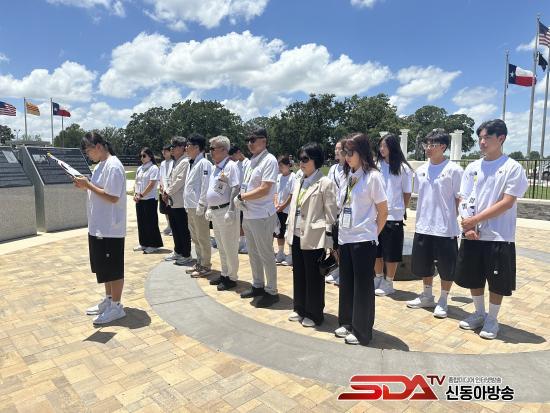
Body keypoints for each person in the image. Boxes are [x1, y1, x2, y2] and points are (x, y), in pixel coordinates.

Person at [455, 119, 528, 339]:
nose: (482, 142)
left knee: (497, 281)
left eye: (487, 137)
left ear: (501, 138)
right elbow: (463, 197)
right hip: (472, 234)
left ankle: (492, 319)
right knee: (473, 276)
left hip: (498, 235)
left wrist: (474, 220)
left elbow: (507, 202)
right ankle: (479, 313)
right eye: (480, 138)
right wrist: (467, 224)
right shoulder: (472, 167)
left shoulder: (512, 168)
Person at [335, 133, 388, 345]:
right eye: (344, 152)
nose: (347, 156)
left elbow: (383, 211)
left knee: (363, 287)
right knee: (347, 282)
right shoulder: (348, 175)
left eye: (351, 152)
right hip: (346, 237)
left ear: (362, 152)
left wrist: (372, 234)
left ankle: (362, 331)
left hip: (363, 240)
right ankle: (347, 321)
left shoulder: (373, 177)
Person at [405, 129, 463, 318]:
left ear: (443, 147)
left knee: (447, 267)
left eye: (432, 145)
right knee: (424, 264)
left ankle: (443, 299)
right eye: (426, 144)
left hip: (445, 229)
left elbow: (459, 199)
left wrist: (453, 218)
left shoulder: (454, 170)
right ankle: (427, 295)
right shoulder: (421, 170)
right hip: (423, 226)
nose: (428, 148)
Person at [75, 132, 127, 325]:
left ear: (98, 146)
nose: (88, 155)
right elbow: (98, 189)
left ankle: (117, 306)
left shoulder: (113, 166)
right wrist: (85, 184)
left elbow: (112, 196)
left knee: (113, 268)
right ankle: (109, 299)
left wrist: (88, 185)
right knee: (104, 268)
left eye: (88, 150)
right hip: (99, 226)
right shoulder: (100, 166)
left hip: (110, 227)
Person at [285, 143, 337, 327]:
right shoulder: (299, 180)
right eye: (299, 158)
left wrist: (330, 242)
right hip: (296, 233)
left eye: (305, 159)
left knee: (313, 276)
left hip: (314, 236)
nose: (301, 163)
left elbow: (331, 214)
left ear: (316, 160)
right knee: (299, 273)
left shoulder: (325, 183)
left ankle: (314, 314)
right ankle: (299, 307)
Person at [234, 128, 280, 308]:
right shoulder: (251, 160)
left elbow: (265, 189)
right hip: (249, 213)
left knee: (266, 253)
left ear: (264, 141)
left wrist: (242, 197)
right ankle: (258, 285)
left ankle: (272, 291)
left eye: (253, 139)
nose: (249, 143)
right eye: (248, 140)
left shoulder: (269, 160)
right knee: (253, 252)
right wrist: (242, 197)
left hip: (262, 214)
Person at [374, 134, 413, 296]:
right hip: (376, 215)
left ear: (393, 146)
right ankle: (378, 277)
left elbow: (407, 193)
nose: (381, 149)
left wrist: (400, 209)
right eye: (380, 145)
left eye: (385, 145)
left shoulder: (403, 168)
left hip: (393, 217)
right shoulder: (377, 165)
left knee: (391, 252)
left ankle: (389, 282)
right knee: (376, 251)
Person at [205, 136, 241, 291]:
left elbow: (235, 188)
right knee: (221, 245)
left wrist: (231, 210)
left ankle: (232, 277)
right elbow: (212, 189)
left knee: (229, 245)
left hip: (226, 210)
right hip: (215, 211)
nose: (210, 151)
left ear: (224, 150)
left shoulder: (231, 166)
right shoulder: (215, 168)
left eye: (213, 148)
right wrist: (208, 207)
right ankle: (224, 273)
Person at [182, 133, 213, 276]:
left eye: (188, 145)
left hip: (198, 206)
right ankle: (200, 262)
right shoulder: (193, 162)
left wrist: (202, 204)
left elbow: (205, 185)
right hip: (190, 206)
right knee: (195, 237)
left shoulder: (204, 163)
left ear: (196, 147)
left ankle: (205, 265)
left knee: (202, 237)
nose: (186, 148)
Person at [162, 137, 192, 265]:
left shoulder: (185, 162)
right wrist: (166, 191)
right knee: (175, 228)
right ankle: (178, 251)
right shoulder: (176, 162)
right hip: (172, 201)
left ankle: (186, 254)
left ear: (181, 147)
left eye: (174, 146)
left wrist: (167, 192)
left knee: (182, 229)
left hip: (180, 201)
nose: (171, 149)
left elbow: (179, 181)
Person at [133, 147, 163, 254]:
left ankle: (153, 244)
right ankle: (144, 243)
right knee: (141, 222)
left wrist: (141, 195)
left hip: (149, 199)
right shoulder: (140, 168)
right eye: (140, 156)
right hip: (140, 199)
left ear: (150, 156)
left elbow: (151, 184)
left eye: (144, 156)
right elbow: (136, 182)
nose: (142, 158)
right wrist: (135, 194)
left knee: (150, 222)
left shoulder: (153, 168)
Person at [325, 138, 347, 285]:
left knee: (342, 243)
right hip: (332, 210)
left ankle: (344, 270)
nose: (337, 151)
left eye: (340, 149)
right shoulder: (333, 169)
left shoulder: (350, 169)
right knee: (332, 243)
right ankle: (337, 267)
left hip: (344, 212)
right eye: (336, 149)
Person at [274, 155, 295, 265]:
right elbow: (275, 192)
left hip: (288, 210)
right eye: (279, 166)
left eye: (281, 166)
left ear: (288, 165)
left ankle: (291, 255)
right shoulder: (278, 177)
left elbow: (291, 195)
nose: (280, 168)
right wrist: (276, 204)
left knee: (288, 233)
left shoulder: (293, 177)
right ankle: (281, 252)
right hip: (278, 209)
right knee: (279, 232)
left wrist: (282, 206)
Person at [229, 145, 250, 253]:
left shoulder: (248, 163)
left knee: (246, 221)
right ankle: (241, 241)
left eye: (233, 155)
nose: (232, 158)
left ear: (238, 152)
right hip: (238, 196)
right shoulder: (236, 164)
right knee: (240, 220)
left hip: (246, 195)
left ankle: (248, 243)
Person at [159, 144, 173, 235]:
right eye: (163, 151)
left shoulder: (173, 162)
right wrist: (161, 186)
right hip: (163, 189)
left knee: (171, 209)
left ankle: (173, 226)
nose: (164, 152)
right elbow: (160, 176)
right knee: (165, 210)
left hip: (170, 189)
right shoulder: (163, 163)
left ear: (170, 152)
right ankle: (169, 225)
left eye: (166, 151)